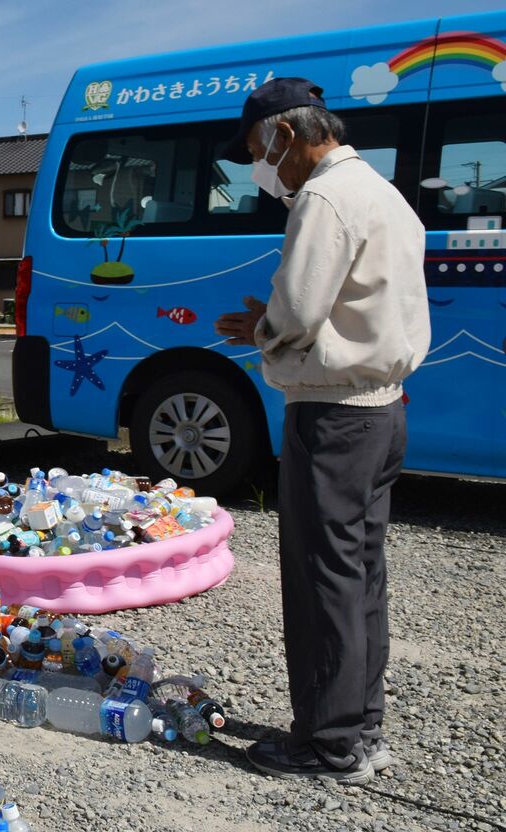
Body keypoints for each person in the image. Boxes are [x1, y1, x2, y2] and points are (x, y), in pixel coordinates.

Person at [214, 78, 429, 784]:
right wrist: (273, 325)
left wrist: (263, 329)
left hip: (333, 412)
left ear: (284, 135)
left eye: (255, 149)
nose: (257, 166)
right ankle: (359, 725)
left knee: (320, 577)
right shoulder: (381, 189)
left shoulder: (324, 198)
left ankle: (328, 742)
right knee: (360, 572)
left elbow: (299, 310)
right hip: (383, 403)